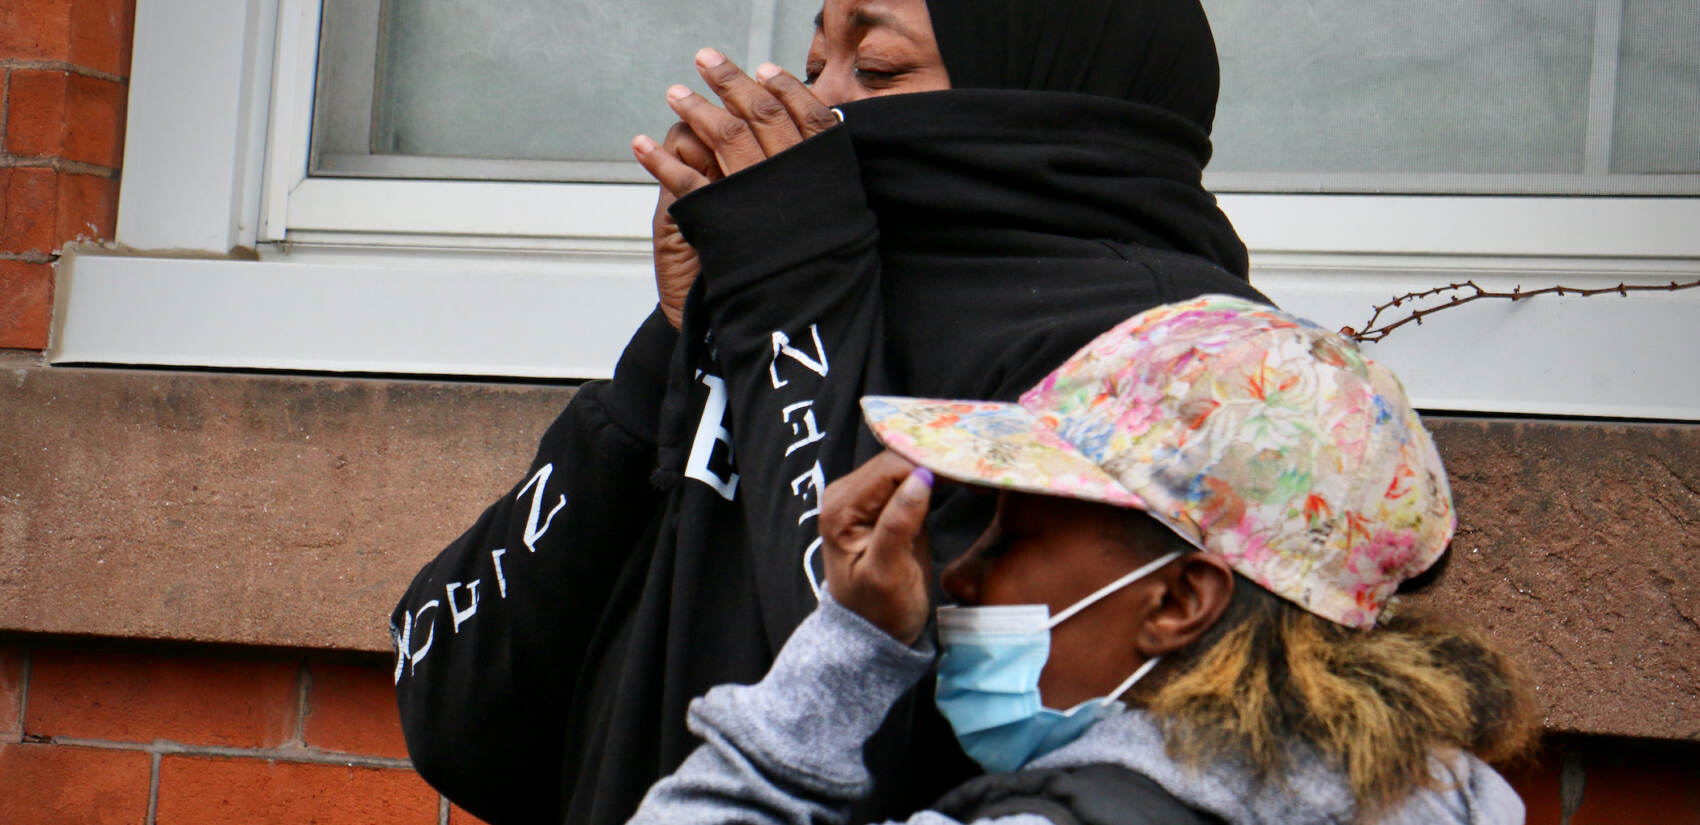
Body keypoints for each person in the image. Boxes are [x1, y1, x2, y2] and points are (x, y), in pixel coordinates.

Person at [392, 2, 1266, 824]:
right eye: (816, 63)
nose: (815, 104)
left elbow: (874, 714)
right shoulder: (792, 281)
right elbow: (457, 709)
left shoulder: (1172, 354)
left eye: (878, 70)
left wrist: (795, 293)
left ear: (1045, 91)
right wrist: (671, 345)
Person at [625, 295, 1540, 825]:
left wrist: (851, 650)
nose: (960, 574)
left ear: (1182, 597)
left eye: (1013, 536)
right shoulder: (1455, 803)